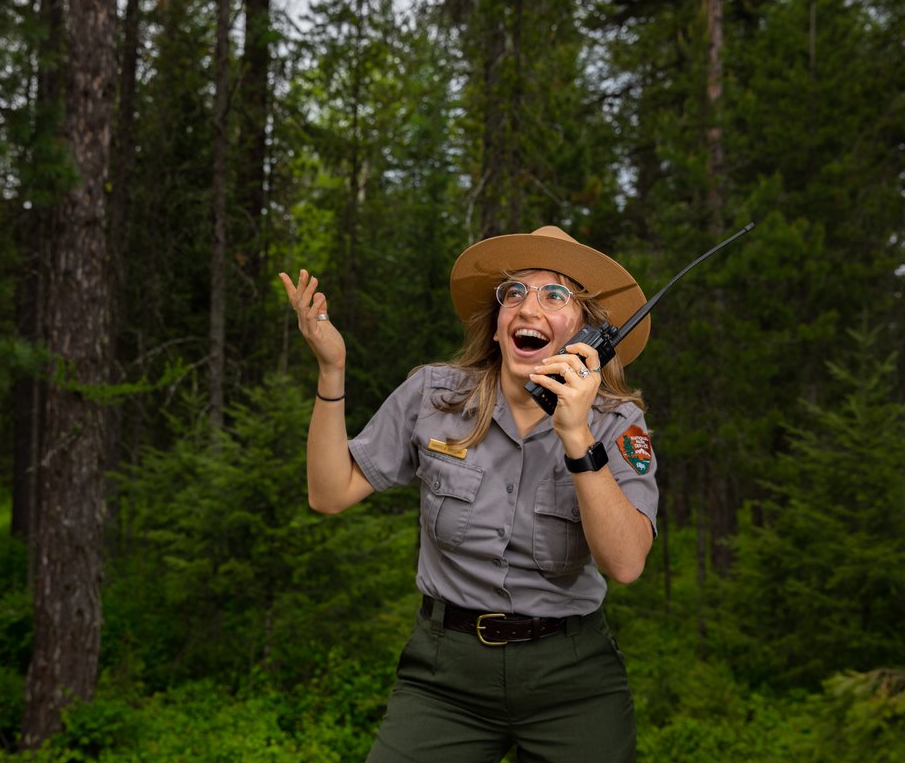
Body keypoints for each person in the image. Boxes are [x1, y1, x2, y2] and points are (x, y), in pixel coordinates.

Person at [278, 225, 659, 763]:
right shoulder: (434, 396)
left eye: (555, 295)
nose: (529, 308)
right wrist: (330, 367)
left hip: (573, 679)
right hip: (445, 676)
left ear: (588, 332)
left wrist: (577, 436)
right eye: (514, 293)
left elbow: (625, 564)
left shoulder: (620, 424)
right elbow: (328, 492)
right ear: (499, 327)